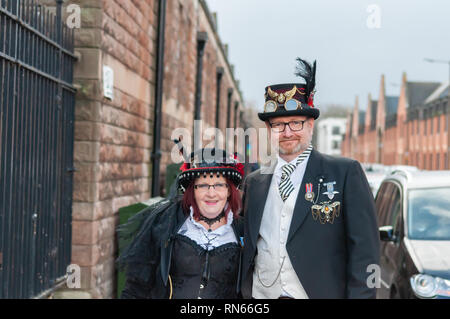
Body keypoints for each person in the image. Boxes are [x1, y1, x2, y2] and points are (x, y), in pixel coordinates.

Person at [240, 58, 380, 299]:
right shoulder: (254, 183)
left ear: (311, 125)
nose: (287, 133)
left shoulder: (345, 173)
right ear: (268, 130)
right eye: (278, 125)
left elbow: (365, 252)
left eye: (295, 123)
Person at [117, 148, 245, 299]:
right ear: (193, 190)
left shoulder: (243, 230)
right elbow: (136, 286)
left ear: (229, 190)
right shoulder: (166, 223)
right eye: (203, 185)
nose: (211, 193)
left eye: (219, 185)